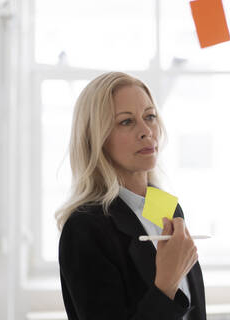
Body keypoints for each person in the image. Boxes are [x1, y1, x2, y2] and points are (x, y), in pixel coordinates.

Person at [55, 72, 206, 320]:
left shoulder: (168, 208)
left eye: (150, 116)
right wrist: (165, 285)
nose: (146, 131)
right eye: (126, 121)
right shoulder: (84, 229)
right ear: (97, 138)